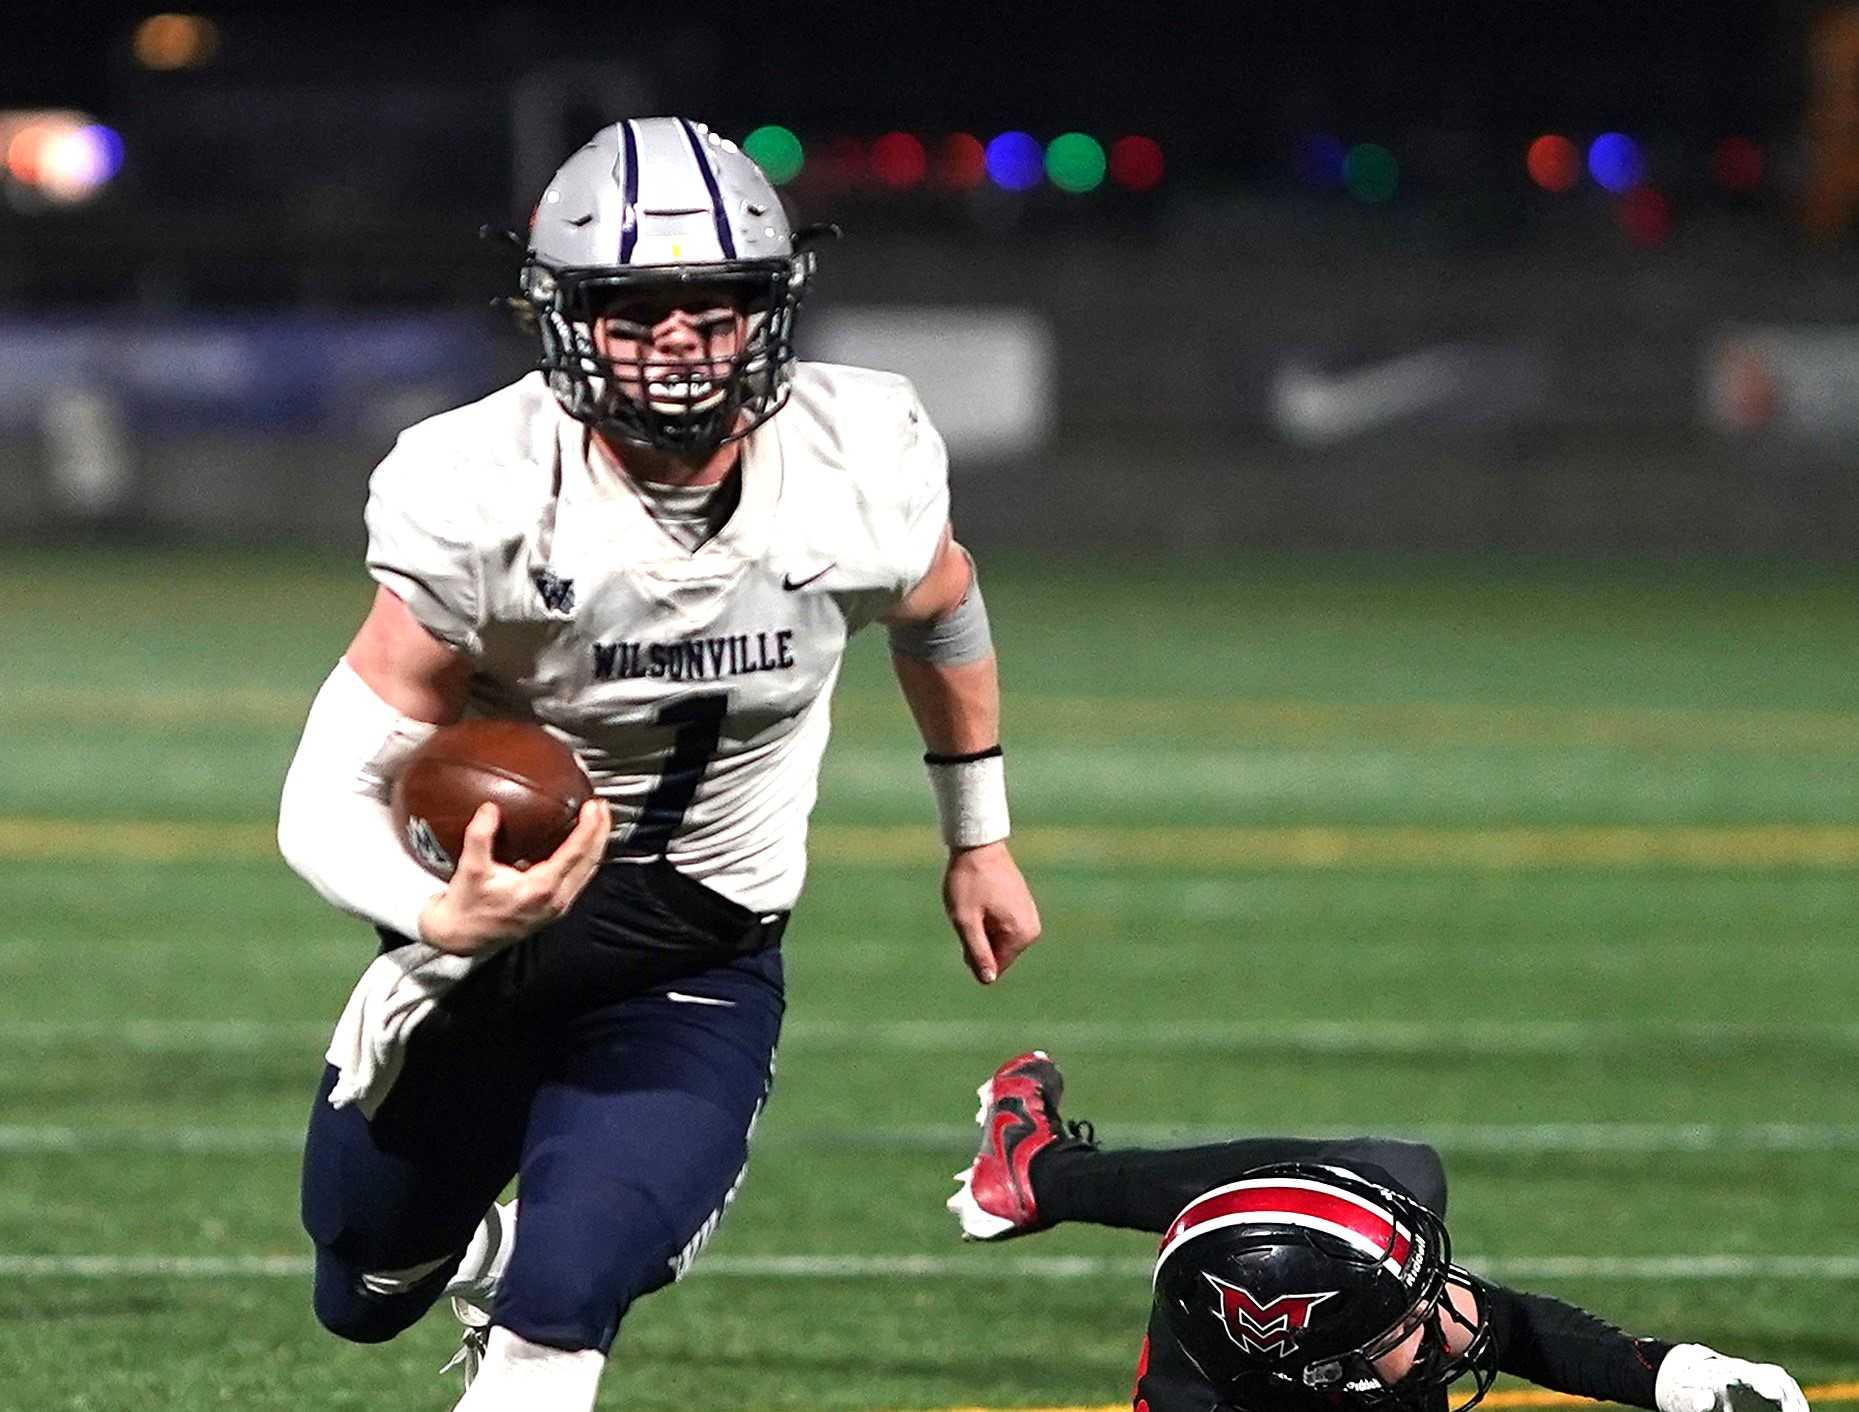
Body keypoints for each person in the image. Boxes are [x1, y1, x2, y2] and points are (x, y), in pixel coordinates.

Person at [275, 115, 1041, 1412]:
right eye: (634, 310)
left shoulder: (857, 461)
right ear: (563, 317)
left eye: (713, 306)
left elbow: (942, 604)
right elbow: (329, 783)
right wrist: (430, 912)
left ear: (768, 311)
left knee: (561, 1312)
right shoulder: (481, 487)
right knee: (363, 1286)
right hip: (488, 951)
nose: (678, 338)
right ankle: (485, 1255)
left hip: (694, 953)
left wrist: (978, 832)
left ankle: (549, 1282)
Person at [948, 1052, 1811, 1412]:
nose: (1446, 1317)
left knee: (1399, 1169)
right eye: (1406, 1317)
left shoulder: (1330, 1348)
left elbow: (1506, 1324)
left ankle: (1039, 1175)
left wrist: (1669, 1375)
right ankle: (1041, 1176)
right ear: (1310, 1370)